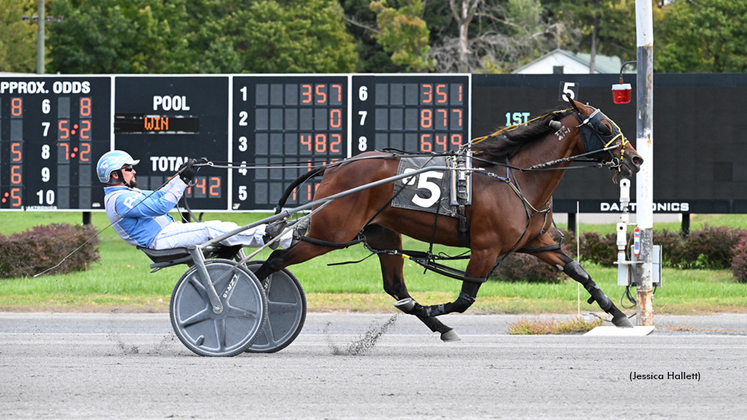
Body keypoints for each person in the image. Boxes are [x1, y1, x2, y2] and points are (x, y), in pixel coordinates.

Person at [96, 150, 292, 250]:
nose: (133, 171)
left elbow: (159, 194)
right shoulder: (119, 200)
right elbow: (161, 206)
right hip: (159, 239)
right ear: (115, 175)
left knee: (224, 225)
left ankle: (283, 237)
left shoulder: (127, 194)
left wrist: (180, 176)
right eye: (128, 168)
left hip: (167, 232)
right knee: (212, 229)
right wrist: (183, 180)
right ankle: (272, 236)